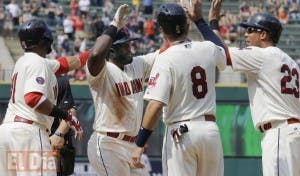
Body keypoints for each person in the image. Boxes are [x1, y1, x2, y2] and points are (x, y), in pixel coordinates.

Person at [196, 0, 300, 175]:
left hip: (280, 133)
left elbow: (221, 52)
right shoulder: (291, 63)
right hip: (294, 133)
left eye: (251, 30)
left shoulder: (262, 55)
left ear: (264, 35)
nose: (246, 34)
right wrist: (214, 24)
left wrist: (202, 22)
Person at [132, 2, 226, 176]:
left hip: (181, 133)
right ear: (187, 25)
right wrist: (203, 21)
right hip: (210, 130)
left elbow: (155, 105)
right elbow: (223, 51)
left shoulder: (165, 58)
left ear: (161, 30)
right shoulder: (207, 48)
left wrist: (139, 144)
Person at [0, 18, 88, 176]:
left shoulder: (24, 62)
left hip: (8, 132)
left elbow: (70, 63)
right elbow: (34, 98)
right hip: (28, 133)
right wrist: (67, 116)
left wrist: (97, 51)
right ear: (46, 39)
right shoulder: (38, 63)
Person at [86, 4, 158, 176]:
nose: (130, 49)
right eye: (125, 46)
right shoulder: (101, 71)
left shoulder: (137, 64)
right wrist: (114, 25)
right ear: (111, 50)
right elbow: (95, 55)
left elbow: (165, 54)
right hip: (108, 143)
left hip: (132, 146)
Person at [50, 74, 77, 176]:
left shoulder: (59, 79)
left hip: (57, 140)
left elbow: (71, 110)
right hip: (34, 138)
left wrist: (59, 133)